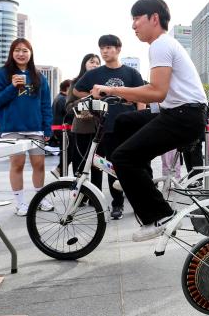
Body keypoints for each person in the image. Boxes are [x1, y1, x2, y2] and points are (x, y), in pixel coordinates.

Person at [91, 0, 207, 241]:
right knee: (124, 122)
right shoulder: (163, 45)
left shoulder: (160, 45)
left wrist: (112, 90)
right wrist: (124, 97)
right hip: (176, 112)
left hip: (184, 116)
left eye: (136, 18)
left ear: (154, 18)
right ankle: (134, 177)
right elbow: (159, 93)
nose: (133, 25)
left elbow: (156, 91)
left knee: (124, 157)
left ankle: (161, 216)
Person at [74, 35, 145, 220]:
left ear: (118, 49)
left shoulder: (131, 73)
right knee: (111, 167)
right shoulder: (95, 74)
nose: (105, 51)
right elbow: (76, 90)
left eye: (109, 47)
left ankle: (139, 201)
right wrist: (93, 96)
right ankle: (117, 204)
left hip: (128, 127)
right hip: (104, 127)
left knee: (131, 166)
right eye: (102, 48)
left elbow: (141, 100)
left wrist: (139, 122)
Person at [0, 38, 53, 216]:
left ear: (30, 53)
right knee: (17, 164)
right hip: (12, 129)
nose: (21, 53)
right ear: (12, 53)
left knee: (39, 164)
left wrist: (47, 127)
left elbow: (45, 104)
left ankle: (40, 199)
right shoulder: (2, 74)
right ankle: (20, 203)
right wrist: (12, 86)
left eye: (25, 50)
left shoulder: (39, 77)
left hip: (36, 129)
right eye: (17, 50)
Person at [65, 53, 101, 182]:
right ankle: (80, 195)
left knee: (97, 165)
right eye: (92, 62)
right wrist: (85, 101)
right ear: (84, 64)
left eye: (97, 62)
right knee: (79, 163)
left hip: (99, 129)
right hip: (81, 129)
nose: (95, 65)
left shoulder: (102, 84)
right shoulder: (75, 83)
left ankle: (96, 196)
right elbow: (68, 107)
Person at [50, 79, 73, 178]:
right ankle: (60, 170)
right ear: (68, 88)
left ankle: (60, 171)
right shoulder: (63, 99)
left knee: (65, 151)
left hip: (58, 129)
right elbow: (70, 113)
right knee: (69, 152)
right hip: (63, 130)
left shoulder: (58, 98)